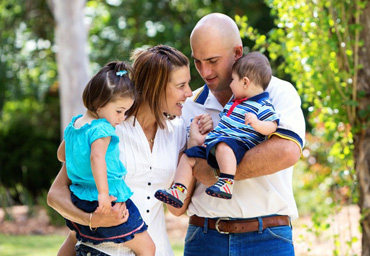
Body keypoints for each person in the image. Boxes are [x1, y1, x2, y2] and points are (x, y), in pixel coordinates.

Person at [48, 45, 213, 256]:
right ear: (156, 87)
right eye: (181, 85)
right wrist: (92, 220)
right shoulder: (107, 126)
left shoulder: (179, 132)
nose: (189, 93)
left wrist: (192, 149)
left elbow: (177, 208)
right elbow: (56, 194)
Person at [171, 13, 306, 256]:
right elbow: (177, 208)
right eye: (198, 62)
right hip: (203, 238)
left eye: (212, 60)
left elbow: (286, 152)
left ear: (237, 52)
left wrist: (213, 173)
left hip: (267, 238)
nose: (205, 71)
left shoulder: (278, 92)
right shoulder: (188, 105)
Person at [155, 52, 279, 204]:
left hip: (239, 144)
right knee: (189, 156)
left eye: (233, 80)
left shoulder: (262, 104)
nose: (230, 83)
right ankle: (179, 189)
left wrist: (257, 124)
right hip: (218, 141)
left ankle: (226, 183)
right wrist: (202, 139)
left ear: (245, 82)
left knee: (223, 146)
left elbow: (272, 126)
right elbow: (223, 128)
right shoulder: (234, 102)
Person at [58, 61, 154, 256]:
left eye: (126, 112)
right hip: (108, 199)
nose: (122, 117)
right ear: (99, 103)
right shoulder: (102, 129)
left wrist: (78, 156)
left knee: (81, 239)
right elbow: (97, 157)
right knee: (148, 248)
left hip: (80, 198)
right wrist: (103, 193)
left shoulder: (74, 125)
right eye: (119, 111)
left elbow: (62, 155)